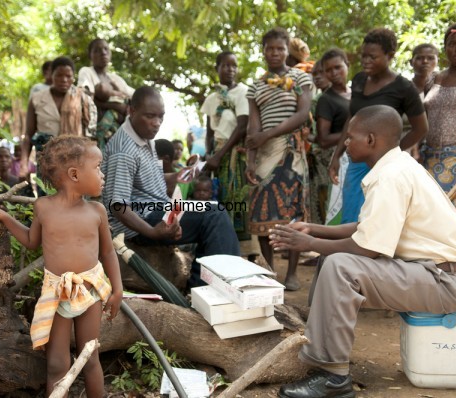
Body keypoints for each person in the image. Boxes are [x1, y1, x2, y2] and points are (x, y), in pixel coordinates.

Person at [271, 105, 456, 398]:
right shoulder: (395, 167)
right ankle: (316, 341)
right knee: (332, 257)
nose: (346, 143)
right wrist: (313, 229)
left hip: (447, 283)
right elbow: (366, 227)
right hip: (431, 274)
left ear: (371, 140)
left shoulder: (391, 176)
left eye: (350, 137)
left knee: (341, 267)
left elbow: (366, 248)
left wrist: (310, 244)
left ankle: (333, 378)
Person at [0, 136, 123, 397]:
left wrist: (117, 290)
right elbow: (32, 242)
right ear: (74, 174)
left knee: (89, 357)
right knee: (57, 364)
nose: (103, 174)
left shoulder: (97, 211)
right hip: (56, 294)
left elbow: (108, 252)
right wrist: (6, 218)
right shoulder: (43, 207)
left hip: (89, 291)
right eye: (98, 167)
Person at [103, 86, 240, 288]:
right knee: (213, 216)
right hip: (142, 221)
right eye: (150, 116)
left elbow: (144, 181)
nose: (157, 123)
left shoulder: (142, 135)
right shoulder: (123, 151)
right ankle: (205, 290)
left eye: (161, 116)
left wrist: (177, 176)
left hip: (159, 209)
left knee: (213, 210)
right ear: (131, 110)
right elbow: (118, 205)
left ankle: (205, 286)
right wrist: (152, 232)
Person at [328, 28, 428, 224]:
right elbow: (351, 118)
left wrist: (391, 152)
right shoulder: (358, 80)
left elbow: (421, 128)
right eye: (363, 56)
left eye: (372, 57)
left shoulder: (403, 88)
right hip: (356, 162)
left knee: (374, 217)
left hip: (383, 166)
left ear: (390, 56)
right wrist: (337, 154)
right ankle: (346, 254)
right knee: (351, 214)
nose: (366, 61)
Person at [244, 28, 313, 291]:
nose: (274, 53)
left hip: (292, 153)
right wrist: (251, 160)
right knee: (264, 213)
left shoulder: (300, 77)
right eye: (269, 48)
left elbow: (303, 113)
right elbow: (253, 127)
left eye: (279, 48)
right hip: (264, 154)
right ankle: (270, 270)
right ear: (263, 51)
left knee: (294, 212)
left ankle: (292, 272)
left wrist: (267, 135)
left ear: (287, 51)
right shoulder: (256, 86)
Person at [20, 56, 97, 194]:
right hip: (47, 164)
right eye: (59, 75)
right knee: (47, 201)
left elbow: (89, 135)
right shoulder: (37, 99)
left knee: (75, 202)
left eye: (68, 76)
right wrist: (24, 163)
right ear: (51, 75)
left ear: (74, 77)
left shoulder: (82, 99)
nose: (64, 80)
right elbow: (28, 136)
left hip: (76, 161)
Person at [201, 51, 252, 247]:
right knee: (218, 197)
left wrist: (219, 156)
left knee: (238, 198)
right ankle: (222, 244)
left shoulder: (243, 92)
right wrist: (208, 156)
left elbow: (241, 127)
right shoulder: (212, 98)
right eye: (225, 65)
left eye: (234, 65)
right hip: (217, 155)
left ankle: (245, 249)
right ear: (217, 68)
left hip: (234, 155)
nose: (230, 69)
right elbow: (209, 132)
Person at [423, 22, 456, 216]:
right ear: (445, 48)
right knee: (436, 217)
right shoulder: (433, 80)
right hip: (432, 159)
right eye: (452, 44)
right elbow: (425, 119)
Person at [77, 39, 135, 149]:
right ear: (90, 56)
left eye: (106, 49)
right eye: (97, 50)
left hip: (118, 134)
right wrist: (114, 106)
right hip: (96, 133)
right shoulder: (86, 72)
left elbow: (134, 95)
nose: (103, 53)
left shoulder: (116, 79)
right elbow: (84, 98)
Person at [316, 49, 351, 226]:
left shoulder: (357, 94)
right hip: (336, 160)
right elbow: (323, 139)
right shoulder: (326, 100)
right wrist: (353, 133)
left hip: (358, 156)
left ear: (347, 65)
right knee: (336, 206)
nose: (334, 73)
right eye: (328, 70)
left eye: (338, 67)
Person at [307, 60, 333, 225]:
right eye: (314, 74)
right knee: (321, 196)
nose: (317, 77)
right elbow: (311, 132)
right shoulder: (316, 100)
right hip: (319, 155)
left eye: (321, 73)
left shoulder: (341, 97)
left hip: (335, 154)